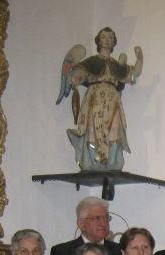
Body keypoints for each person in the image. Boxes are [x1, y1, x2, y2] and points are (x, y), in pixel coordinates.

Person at [57, 27, 144, 171]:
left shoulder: (116, 65)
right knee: (92, 127)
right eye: (104, 37)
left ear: (114, 41)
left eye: (110, 37)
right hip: (95, 97)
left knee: (114, 128)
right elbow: (79, 73)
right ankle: (91, 162)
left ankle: (112, 162)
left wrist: (140, 58)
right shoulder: (92, 61)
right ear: (98, 41)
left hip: (112, 100)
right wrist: (76, 78)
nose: (107, 40)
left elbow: (134, 74)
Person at [49, 197, 124, 255]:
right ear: (81, 223)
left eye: (106, 218)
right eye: (97, 218)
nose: (103, 223)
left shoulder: (119, 251)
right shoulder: (62, 253)